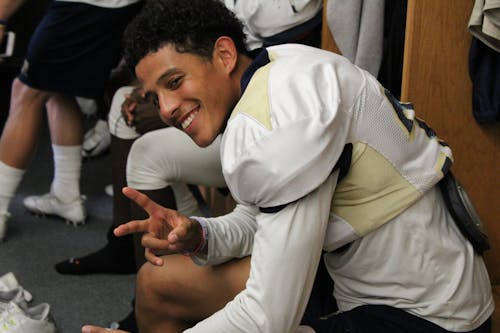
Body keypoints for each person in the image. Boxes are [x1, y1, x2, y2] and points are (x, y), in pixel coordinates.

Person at [80, 0, 494, 332]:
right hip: (356, 281)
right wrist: (199, 235)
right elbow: (260, 221)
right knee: (158, 283)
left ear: (224, 54)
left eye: (174, 83)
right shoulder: (274, 71)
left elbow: (267, 319)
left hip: (424, 315)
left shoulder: (277, 112)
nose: (166, 108)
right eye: (155, 96)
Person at [0, 0, 142, 241]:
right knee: (57, 88)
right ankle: (66, 196)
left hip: (83, 6)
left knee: (26, 93)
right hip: (120, 6)